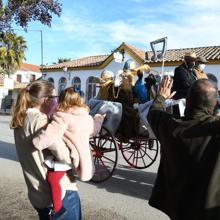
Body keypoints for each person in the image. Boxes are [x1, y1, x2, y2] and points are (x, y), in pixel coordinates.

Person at [147, 77, 220, 220]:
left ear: (186, 102)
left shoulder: (169, 125)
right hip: (209, 210)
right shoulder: (215, 128)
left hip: (177, 207)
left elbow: (154, 112)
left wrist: (161, 96)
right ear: (215, 105)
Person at [11, 80, 81, 220]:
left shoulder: (21, 118)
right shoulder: (40, 120)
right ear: (45, 100)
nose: (56, 101)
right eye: (54, 98)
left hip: (36, 193)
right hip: (58, 195)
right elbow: (63, 154)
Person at [32, 87, 104, 217]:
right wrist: (99, 118)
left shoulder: (62, 117)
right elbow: (95, 130)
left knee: (53, 178)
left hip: (68, 155)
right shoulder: (87, 118)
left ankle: (58, 208)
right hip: (82, 156)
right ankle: (58, 207)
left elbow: (50, 134)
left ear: (63, 100)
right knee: (56, 178)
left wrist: (37, 142)